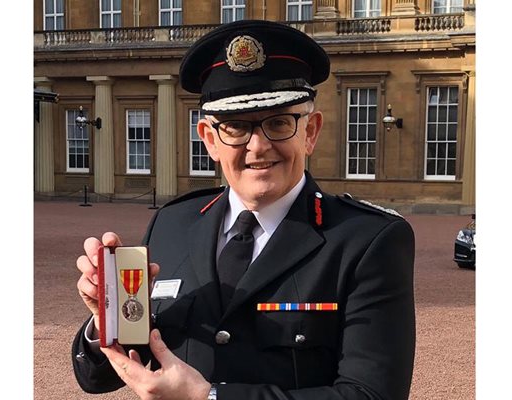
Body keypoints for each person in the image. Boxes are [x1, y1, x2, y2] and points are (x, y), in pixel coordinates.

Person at [72, 20, 415, 400]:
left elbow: (372, 394)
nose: (258, 146)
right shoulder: (173, 223)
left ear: (311, 132)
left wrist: (210, 397)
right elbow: (98, 377)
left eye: (279, 122)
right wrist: (108, 319)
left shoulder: (366, 241)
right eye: (235, 127)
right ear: (209, 139)